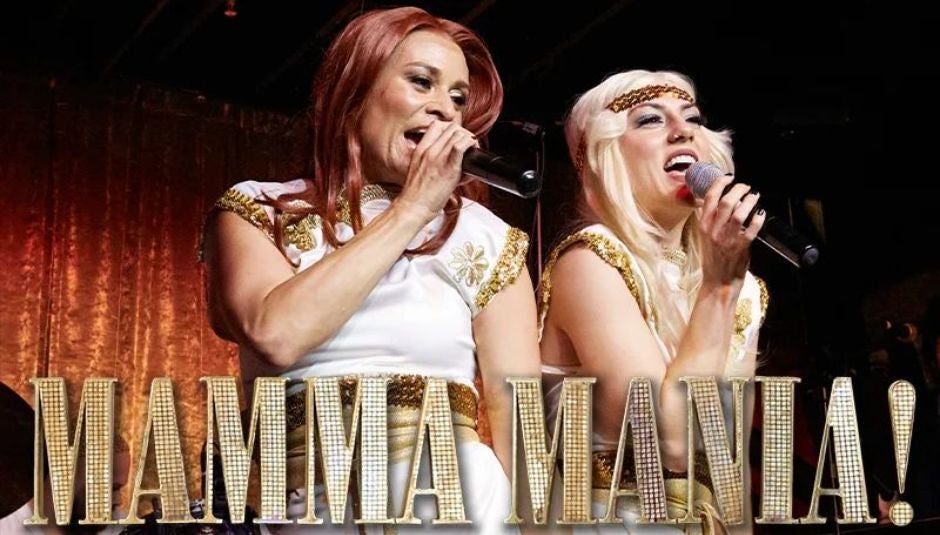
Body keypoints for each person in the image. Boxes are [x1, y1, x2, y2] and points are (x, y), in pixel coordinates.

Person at [201, 6, 540, 533]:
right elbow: (276, 335)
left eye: (457, 98)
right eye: (421, 82)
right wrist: (413, 209)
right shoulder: (259, 210)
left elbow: (520, 424)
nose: (445, 110)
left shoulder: (488, 239)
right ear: (354, 91)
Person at [538, 70, 769, 533]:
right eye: (650, 119)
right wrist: (718, 290)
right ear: (605, 158)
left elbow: (727, 467)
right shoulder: (590, 262)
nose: (683, 131)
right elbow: (672, 443)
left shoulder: (741, 288)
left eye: (693, 118)